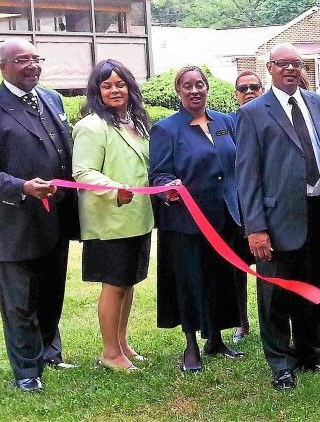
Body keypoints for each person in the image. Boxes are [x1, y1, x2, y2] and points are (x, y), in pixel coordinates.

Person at [236, 43, 320, 391]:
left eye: (296, 64)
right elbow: (247, 175)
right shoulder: (253, 112)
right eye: (283, 64)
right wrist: (256, 228)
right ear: (270, 68)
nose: (291, 69)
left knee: (314, 289)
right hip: (276, 220)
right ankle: (280, 364)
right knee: (275, 296)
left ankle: (311, 354)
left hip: (319, 215)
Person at [0, 38, 80, 392]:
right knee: (19, 301)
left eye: (36, 59)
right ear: (4, 66)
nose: (33, 66)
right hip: (15, 221)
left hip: (56, 218)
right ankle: (26, 371)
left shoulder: (51, 99)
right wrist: (22, 186)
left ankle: (50, 352)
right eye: (23, 60)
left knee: (52, 291)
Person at [150, 66, 246, 373]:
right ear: (178, 91)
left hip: (225, 217)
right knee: (190, 282)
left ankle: (215, 339)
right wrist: (169, 188)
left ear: (207, 88)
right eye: (188, 86)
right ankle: (191, 346)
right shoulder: (167, 128)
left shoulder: (224, 122)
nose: (195, 90)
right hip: (186, 222)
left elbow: (236, 163)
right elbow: (159, 173)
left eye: (200, 85)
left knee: (220, 279)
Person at [72, 59, 154, 372]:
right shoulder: (91, 127)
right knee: (114, 284)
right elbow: (83, 171)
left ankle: (122, 343)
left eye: (120, 84)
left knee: (128, 282)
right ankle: (109, 352)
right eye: (107, 85)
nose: (115, 90)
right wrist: (113, 188)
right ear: (97, 91)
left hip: (138, 218)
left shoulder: (138, 123)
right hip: (109, 221)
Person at [227, 69, 264, 344]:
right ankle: (241, 322)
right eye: (243, 88)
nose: (249, 91)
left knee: (268, 270)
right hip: (235, 209)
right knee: (237, 269)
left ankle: (272, 321)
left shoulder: (270, 118)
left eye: (255, 87)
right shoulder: (227, 123)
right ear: (235, 95)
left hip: (267, 207)